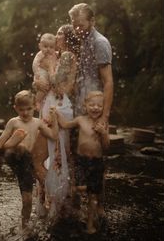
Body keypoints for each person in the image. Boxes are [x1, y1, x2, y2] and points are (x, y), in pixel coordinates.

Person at [0, 90, 58, 233]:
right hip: (13, 156)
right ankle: (13, 144)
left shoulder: (38, 123)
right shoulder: (14, 122)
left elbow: (53, 135)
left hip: (25, 165)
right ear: (15, 108)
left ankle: (25, 227)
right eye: (21, 110)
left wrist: (55, 118)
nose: (26, 113)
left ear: (35, 107)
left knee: (27, 200)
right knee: (17, 147)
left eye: (29, 109)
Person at [32, 24, 77, 219]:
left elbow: (60, 88)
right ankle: (45, 202)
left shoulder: (67, 58)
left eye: (60, 34)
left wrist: (50, 68)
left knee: (57, 153)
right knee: (44, 154)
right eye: (56, 33)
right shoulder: (49, 55)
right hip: (46, 104)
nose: (57, 37)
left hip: (58, 107)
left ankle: (58, 202)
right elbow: (39, 76)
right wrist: (36, 82)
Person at [56, 91, 110, 234]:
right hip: (81, 161)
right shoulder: (80, 120)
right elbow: (65, 124)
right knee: (80, 187)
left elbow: (106, 146)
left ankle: (90, 224)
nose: (95, 108)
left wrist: (103, 133)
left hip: (97, 162)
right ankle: (77, 198)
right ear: (85, 105)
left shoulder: (103, 123)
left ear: (103, 107)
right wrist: (56, 112)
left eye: (99, 105)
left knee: (93, 196)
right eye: (92, 104)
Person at [68, 3, 113, 127]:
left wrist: (104, 116)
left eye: (81, 26)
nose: (77, 30)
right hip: (81, 106)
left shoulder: (100, 43)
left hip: (95, 110)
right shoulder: (84, 39)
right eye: (74, 26)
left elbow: (108, 82)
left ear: (92, 21)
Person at [32, 33, 58, 111]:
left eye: (51, 47)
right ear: (40, 46)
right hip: (41, 73)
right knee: (43, 88)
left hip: (50, 75)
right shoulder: (40, 55)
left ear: (55, 47)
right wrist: (36, 74)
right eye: (45, 46)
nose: (48, 49)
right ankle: (37, 101)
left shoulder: (55, 55)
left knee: (50, 86)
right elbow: (35, 64)